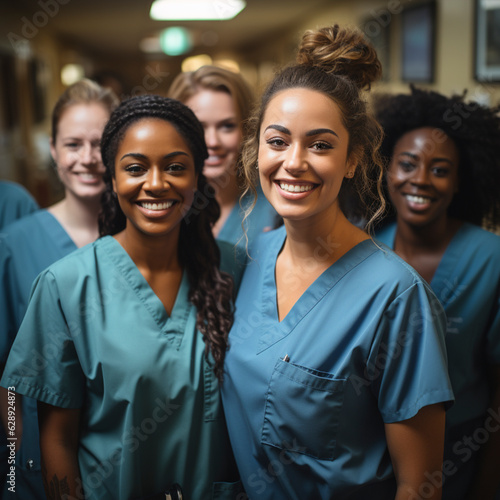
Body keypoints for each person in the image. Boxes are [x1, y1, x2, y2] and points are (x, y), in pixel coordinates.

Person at [220, 25, 455, 500]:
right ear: (258, 149)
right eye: (278, 141)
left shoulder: (394, 296)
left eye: (321, 145)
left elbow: (420, 486)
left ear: (353, 160)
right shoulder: (252, 259)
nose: (294, 162)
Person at [1, 94, 244, 499]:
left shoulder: (236, 270)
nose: (155, 183)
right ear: (112, 179)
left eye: (175, 167)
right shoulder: (66, 286)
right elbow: (57, 440)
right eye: (135, 168)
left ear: (197, 177)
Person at [374, 86, 500, 500]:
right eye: (407, 164)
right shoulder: (365, 247)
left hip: (463, 448)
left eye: (440, 169)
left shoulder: (491, 258)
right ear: (386, 169)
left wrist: (487, 483)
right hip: (373, 447)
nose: (420, 180)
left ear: (460, 180)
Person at [0, 78, 119, 499]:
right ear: (53, 149)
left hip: (123, 456)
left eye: (100, 144)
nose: (87, 159)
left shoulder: (146, 240)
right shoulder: (14, 244)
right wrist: (16, 456)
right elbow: (6, 376)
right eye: (72, 145)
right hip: (34, 458)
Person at [168, 65, 278, 246]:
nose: (212, 142)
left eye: (227, 126)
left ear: (248, 129)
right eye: (198, 126)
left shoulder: (275, 206)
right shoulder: (163, 205)